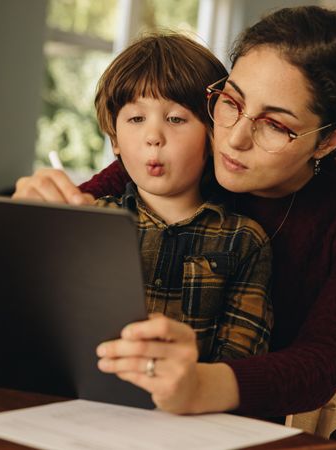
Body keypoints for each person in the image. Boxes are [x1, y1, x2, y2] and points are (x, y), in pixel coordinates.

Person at [13, 6, 336, 444]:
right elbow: (92, 202)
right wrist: (43, 213)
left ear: (330, 138)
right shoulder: (195, 157)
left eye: (275, 125)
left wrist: (196, 385)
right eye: (232, 102)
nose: (235, 139)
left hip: (264, 436)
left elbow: (320, 364)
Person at [94, 34, 273, 362]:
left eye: (175, 119)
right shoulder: (91, 222)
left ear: (212, 133)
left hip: (190, 405)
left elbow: (239, 360)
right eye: (136, 119)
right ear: (115, 138)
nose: (153, 137)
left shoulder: (244, 241)